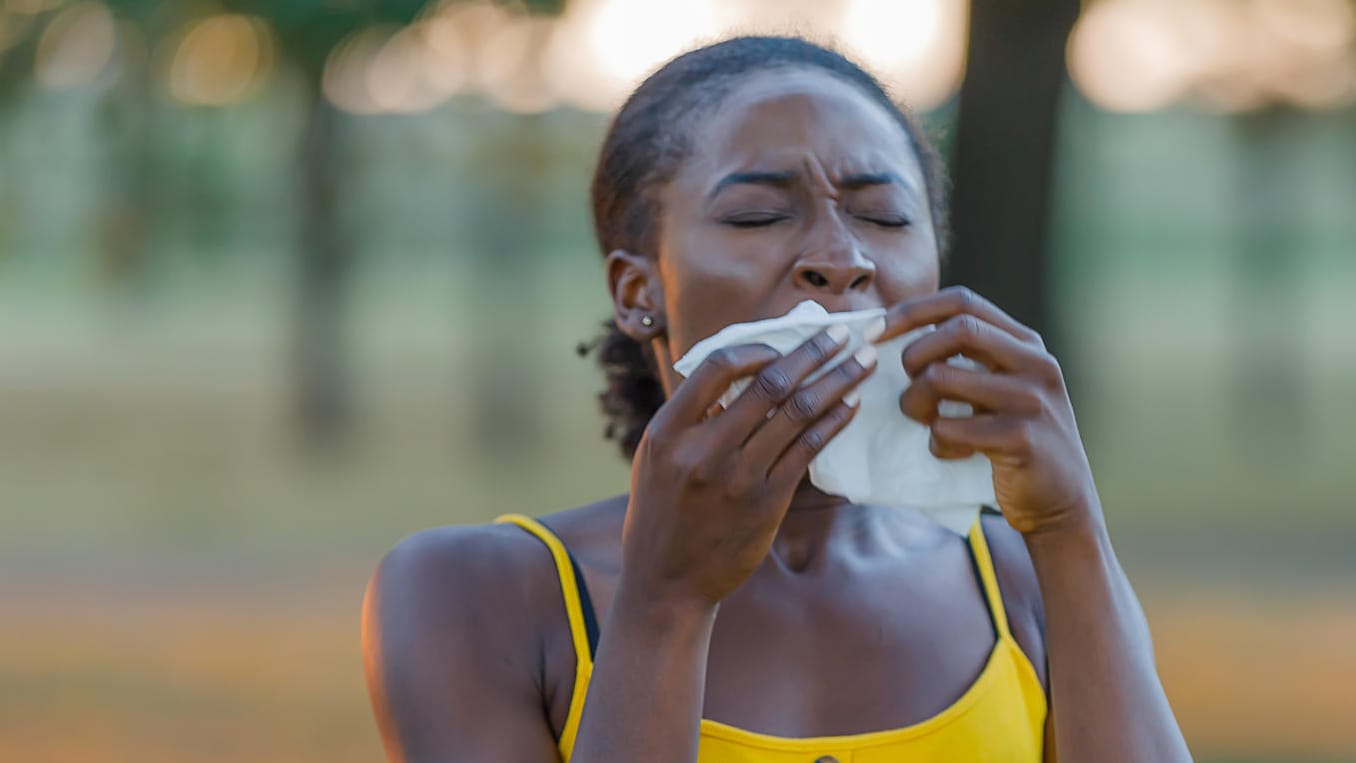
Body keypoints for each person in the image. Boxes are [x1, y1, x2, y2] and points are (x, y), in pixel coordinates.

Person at [361, 35, 1191, 762]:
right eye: (758, 216)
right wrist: (665, 604)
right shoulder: (477, 596)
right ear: (638, 288)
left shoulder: (1022, 584)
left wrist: (1072, 528)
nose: (840, 258)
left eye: (885, 217)